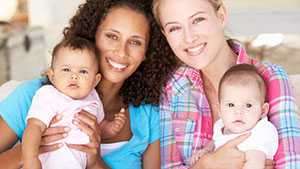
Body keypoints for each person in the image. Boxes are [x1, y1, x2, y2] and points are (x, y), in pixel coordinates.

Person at [0, 0, 173, 168]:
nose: (121, 51)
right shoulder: (34, 96)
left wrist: (95, 161)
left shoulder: (148, 115)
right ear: (92, 35)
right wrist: (28, 152)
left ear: (147, 52)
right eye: (112, 36)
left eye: (135, 42)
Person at [152, 0, 300, 168]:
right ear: (165, 34)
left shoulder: (271, 77)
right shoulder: (172, 89)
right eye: (174, 28)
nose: (189, 37)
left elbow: (291, 164)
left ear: (221, 16)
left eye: (198, 20)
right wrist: (205, 165)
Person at [22, 37, 126, 169]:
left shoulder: (94, 99)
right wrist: (31, 159)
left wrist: (111, 128)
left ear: (95, 80)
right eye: (66, 70)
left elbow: (99, 128)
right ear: (52, 76)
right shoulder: (49, 95)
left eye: (83, 71)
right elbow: (34, 127)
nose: (74, 76)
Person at [189, 64, 279, 169]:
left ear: (262, 111)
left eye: (248, 105)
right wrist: (206, 151)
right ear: (220, 110)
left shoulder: (259, 132)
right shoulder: (221, 126)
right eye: (231, 105)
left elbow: (255, 162)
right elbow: (215, 140)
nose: (238, 112)